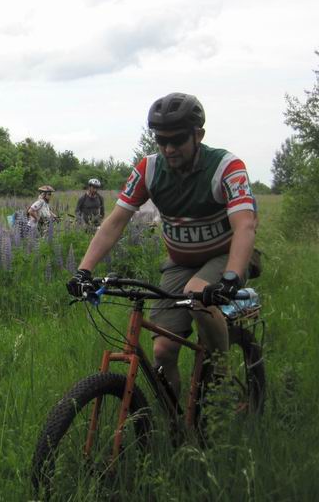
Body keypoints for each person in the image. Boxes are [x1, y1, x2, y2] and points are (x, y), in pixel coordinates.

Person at [67, 93, 257, 397]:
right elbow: (115, 222)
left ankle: (221, 373)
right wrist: (83, 271)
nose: (169, 148)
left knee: (197, 292)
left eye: (177, 140)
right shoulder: (149, 169)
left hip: (225, 255)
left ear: (199, 135)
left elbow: (245, 225)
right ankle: (175, 426)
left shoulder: (226, 166)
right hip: (180, 263)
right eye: (161, 140)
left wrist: (232, 277)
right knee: (163, 351)